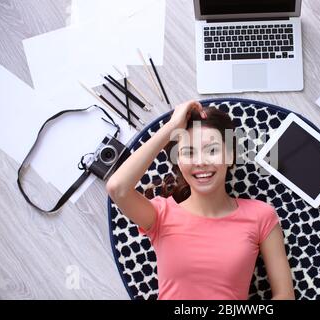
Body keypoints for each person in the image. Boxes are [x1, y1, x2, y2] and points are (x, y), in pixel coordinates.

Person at [106, 100, 294, 300]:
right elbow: (117, 188)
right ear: (178, 160)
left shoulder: (261, 215)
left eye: (212, 150)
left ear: (230, 156)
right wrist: (171, 127)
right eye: (188, 152)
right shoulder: (160, 215)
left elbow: (285, 295)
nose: (201, 162)